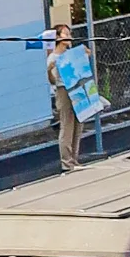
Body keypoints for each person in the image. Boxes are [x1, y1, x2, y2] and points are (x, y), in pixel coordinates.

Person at [45, 21, 92, 174]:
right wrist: (50, 70)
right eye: (65, 34)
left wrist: (84, 54)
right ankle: (66, 162)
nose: (69, 36)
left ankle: (74, 158)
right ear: (57, 37)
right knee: (67, 125)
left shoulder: (71, 53)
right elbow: (52, 81)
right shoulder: (53, 57)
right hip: (63, 91)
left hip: (77, 88)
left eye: (69, 33)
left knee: (79, 124)